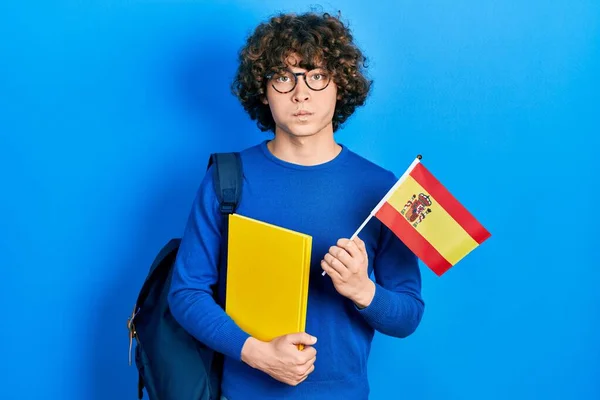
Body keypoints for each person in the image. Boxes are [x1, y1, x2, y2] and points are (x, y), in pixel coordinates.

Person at [168, 11, 425, 400]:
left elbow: (408, 314)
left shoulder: (380, 187)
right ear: (263, 89)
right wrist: (255, 353)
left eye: (317, 76)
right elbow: (186, 293)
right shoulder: (226, 178)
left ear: (341, 85)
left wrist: (362, 289)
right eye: (283, 77)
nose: (300, 94)